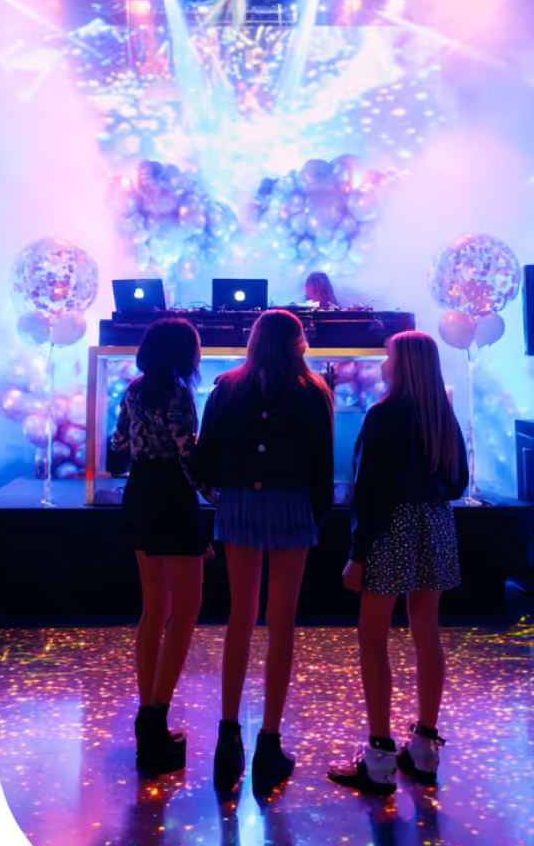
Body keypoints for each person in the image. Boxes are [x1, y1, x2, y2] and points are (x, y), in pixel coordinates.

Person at [191, 308, 335, 795]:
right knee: (281, 623)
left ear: (253, 341)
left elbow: (203, 455)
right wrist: (317, 512)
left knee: (239, 618)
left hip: (238, 503)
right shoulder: (314, 392)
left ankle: (227, 738)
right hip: (292, 502)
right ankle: (269, 742)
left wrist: (220, 493)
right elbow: (323, 465)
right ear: (297, 342)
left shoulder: (227, 387)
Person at [328, 331, 468, 795]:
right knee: (427, 631)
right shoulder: (442, 417)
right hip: (435, 523)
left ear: (402, 363)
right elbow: (458, 482)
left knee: (373, 638)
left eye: (389, 355)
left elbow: (368, 493)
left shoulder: (383, 415)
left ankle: (379, 756)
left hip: (390, 527)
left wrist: (357, 554)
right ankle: (425, 748)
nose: (383, 362)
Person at [107, 317, 211, 777]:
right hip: (172, 495)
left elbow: (119, 444)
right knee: (187, 610)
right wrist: (216, 495)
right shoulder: (178, 393)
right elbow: (189, 454)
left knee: (154, 611)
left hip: (141, 492)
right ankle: (155, 715)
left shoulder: (133, 390)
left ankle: (146, 715)